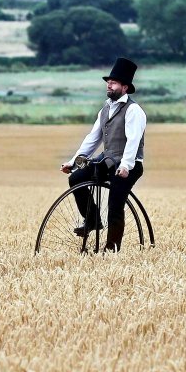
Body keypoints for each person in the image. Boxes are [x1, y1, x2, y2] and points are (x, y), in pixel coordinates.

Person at [61, 57, 146, 252]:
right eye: (108, 82)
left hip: (130, 164)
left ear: (125, 87)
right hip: (107, 161)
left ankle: (111, 249)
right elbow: (92, 139)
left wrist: (125, 166)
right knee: (76, 178)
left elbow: (133, 141)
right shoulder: (105, 109)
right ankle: (92, 221)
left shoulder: (133, 110)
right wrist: (73, 162)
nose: (109, 85)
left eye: (113, 82)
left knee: (115, 203)